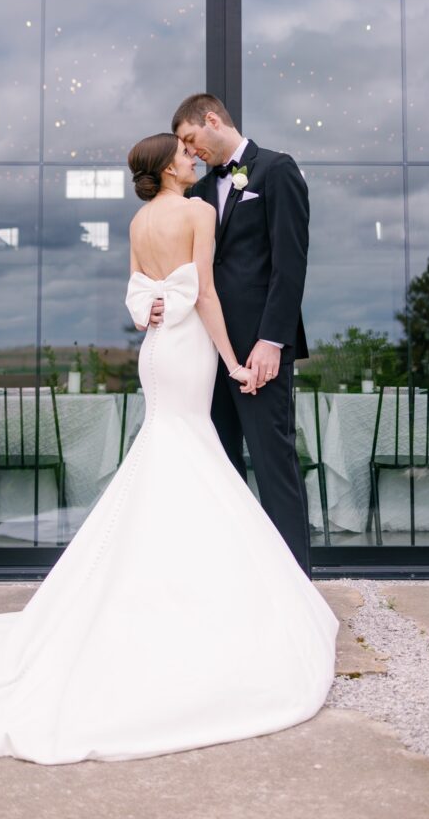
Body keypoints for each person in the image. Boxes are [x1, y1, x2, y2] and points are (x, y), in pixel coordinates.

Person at [0, 132, 337, 765]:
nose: (193, 158)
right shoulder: (197, 211)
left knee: (168, 446)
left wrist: (156, 311)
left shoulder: (138, 222)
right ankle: (190, 589)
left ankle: (155, 576)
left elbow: (139, 299)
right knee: (190, 449)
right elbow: (208, 295)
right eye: (184, 154)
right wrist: (233, 361)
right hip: (192, 348)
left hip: (156, 351)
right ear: (169, 167)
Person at [170, 93, 312, 574]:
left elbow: (290, 264)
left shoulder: (277, 169)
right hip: (206, 350)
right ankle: (237, 580)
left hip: (258, 351)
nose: (191, 152)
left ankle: (294, 584)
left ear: (212, 120)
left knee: (274, 464)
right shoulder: (198, 191)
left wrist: (272, 340)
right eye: (183, 147)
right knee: (220, 467)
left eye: (191, 139)